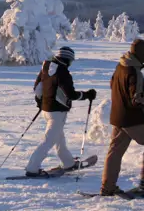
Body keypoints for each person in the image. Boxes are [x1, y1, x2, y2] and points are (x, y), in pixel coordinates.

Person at [100, 39, 144, 196]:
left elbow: (113, 86)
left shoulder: (121, 66)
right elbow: (136, 100)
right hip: (132, 118)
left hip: (118, 116)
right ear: (141, 55)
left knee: (115, 151)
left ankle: (108, 187)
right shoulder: (134, 72)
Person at [25, 46, 96, 177]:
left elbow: (38, 88)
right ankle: (32, 168)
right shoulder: (63, 73)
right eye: (71, 61)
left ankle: (68, 162)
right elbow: (71, 95)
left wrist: (41, 102)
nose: (70, 63)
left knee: (59, 139)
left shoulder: (46, 67)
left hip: (47, 111)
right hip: (58, 112)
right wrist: (87, 95)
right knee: (48, 141)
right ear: (66, 59)